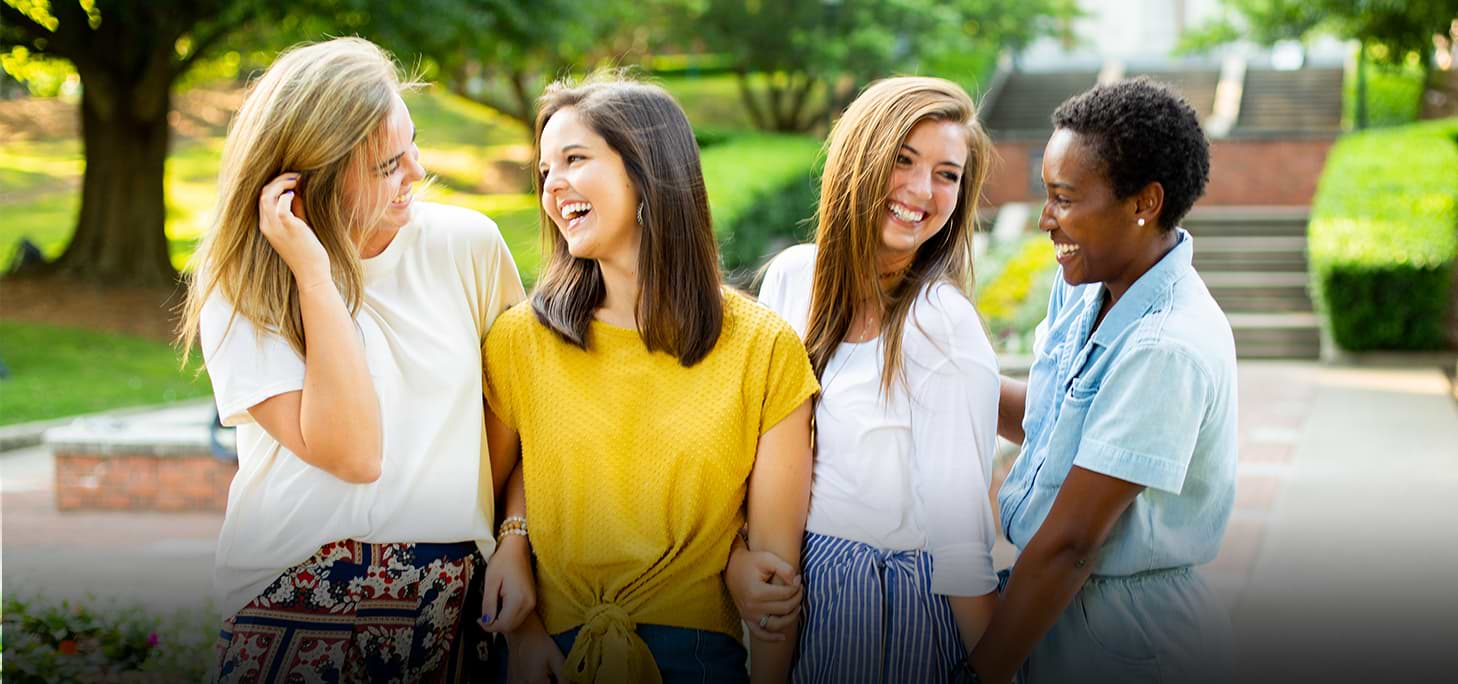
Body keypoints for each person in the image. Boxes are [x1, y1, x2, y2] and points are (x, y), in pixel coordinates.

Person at [177, 37, 525, 681]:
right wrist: (313, 272)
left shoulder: (468, 246)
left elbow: (522, 420)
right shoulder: (245, 279)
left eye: (412, 144)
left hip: (446, 597)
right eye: (387, 164)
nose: (416, 171)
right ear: (311, 179)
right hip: (291, 594)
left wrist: (515, 543)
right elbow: (354, 453)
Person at [478, 75, 819, 683]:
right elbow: (486, 500)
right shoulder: (519, 342)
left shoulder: (765, 350)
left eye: (574, 159)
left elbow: (774, 584)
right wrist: (524, 632)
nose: (553, 185)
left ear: (647, 171)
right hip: (546, 660)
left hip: (697, 663)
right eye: (545, 169)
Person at [966, 77, 1237, 684]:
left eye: (1064, 198)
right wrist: (934, 372)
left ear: (1144, 204)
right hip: (1062, 611)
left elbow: (1071, 543)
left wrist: (981, 673)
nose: (1045, 220)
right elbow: (1047, 418)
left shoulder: (1166, 347)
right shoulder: (1089, 287)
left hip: (1127, 639)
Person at [751, 76, 1001, 682]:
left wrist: (999, 668)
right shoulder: (791, 279)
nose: (922, 191)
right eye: (904, 160)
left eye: (947, 174)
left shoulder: (940, 325)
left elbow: (960, 538)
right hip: (795, 589)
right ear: (859, 157)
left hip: (894, 611)